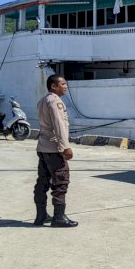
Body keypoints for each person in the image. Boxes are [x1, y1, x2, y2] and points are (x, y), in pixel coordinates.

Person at [33, 74, 78, 227]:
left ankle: (41, 215)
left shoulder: (42, 101)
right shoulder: (55, 101)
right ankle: (59, 217)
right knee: (61, 181)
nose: (65, 87)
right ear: (53, 86)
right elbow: (59, 125)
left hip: (43, 146)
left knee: (43, 181)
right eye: (63, 84)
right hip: (54, 149)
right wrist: (65, 147)